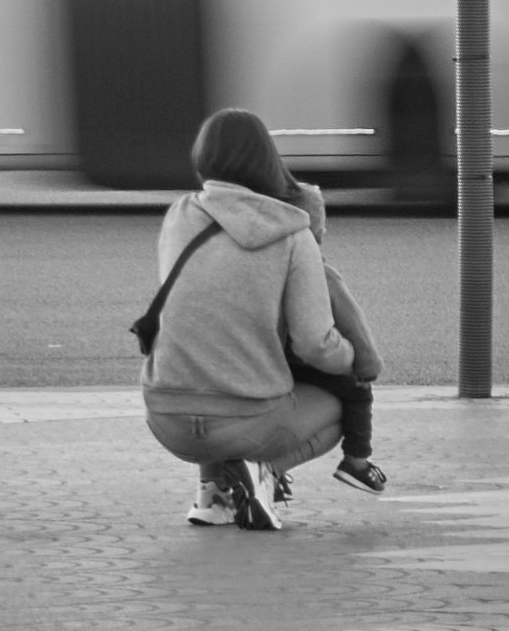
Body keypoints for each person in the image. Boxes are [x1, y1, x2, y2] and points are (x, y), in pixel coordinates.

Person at [142, 108, 367, 530]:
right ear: (269, 160)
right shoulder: (292, 232)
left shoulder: (179, 216)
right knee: (338, 405)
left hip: (165, 414)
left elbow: (199, 311)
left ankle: (213, 496)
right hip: (244, 423)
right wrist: (353, 358)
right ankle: (267, 471)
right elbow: (314, 342)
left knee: (206, 355)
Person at [265, 173, 387, 503]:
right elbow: (354, 328)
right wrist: (367, 366)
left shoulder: (262, 267)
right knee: (357, 394)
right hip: (310, 364)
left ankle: (258, 473)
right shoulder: (323, 273)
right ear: (318, 231)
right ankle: (357, 462)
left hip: (267, 366)